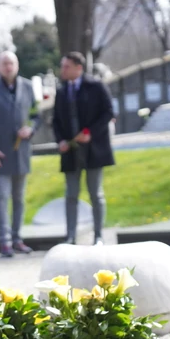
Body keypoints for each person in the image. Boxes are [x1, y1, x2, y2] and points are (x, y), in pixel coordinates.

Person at [0, 51, 40, 257]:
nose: (8, 67)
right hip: (1, 153)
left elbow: (35, 115)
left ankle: (17, 238)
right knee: (3, 197)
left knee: (19, 198)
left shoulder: (28, 87)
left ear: (17, 65)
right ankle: (4, 241)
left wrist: (30, 129)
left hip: (22, 152)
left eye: (11, 63)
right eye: (5, 63)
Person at [52, 52, 115, 245]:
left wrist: (90, 132)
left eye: (66, 66)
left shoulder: (95, 86)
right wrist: (61, 140)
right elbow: (56, 120)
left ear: (78, 68)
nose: (63, 70)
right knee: (71, 194)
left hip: (94, 149)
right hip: (71, 152)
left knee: (96, 193)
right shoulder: (62, 91)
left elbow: (108, 112)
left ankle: (98, 235)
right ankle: (70, 235)